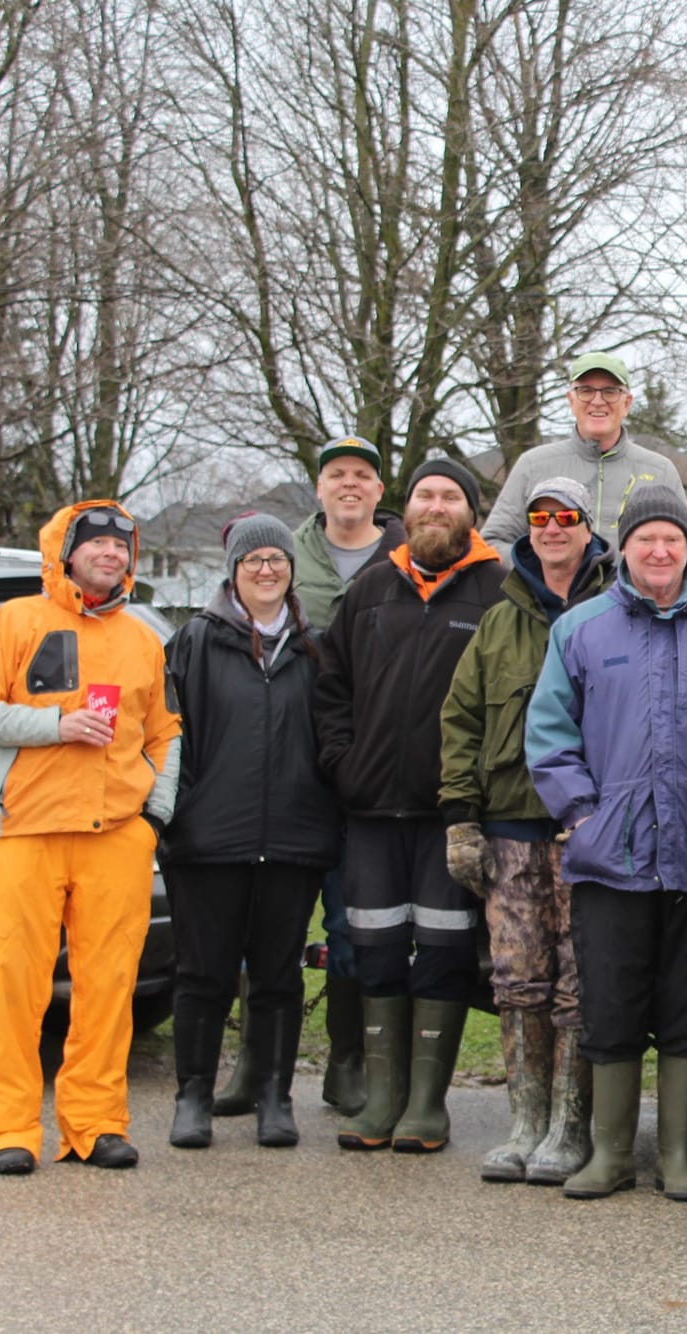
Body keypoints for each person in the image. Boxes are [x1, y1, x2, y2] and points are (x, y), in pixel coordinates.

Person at [526, 485, 687, 1203]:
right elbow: (549, 735)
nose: (660, 551)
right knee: (612, 1005)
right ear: (622, 547)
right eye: (646, 538)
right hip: (609, 858)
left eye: (673, 539)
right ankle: (612, 1154)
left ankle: (679, 1157)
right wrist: (582, 816)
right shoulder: (583, 629)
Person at [0, 500, 181, 1174]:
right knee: (9, 985)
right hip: (25, 831)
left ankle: (96, 1125)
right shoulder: (16, 620)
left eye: (122, 547)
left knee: (109, 987)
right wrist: (58, 724)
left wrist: (151, 822)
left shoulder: (143, 639)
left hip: (116, 837)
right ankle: (4, 1132)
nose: (111, 554)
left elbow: (167, 734)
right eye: (98, 544)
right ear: (66, 550)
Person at [314, 459, 505, 1154]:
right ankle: (382, 1098)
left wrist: (478, 792)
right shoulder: (371, 587)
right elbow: (330, 687)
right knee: (375, 947)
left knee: (446, 951)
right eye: (424, 494)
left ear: (471, 513)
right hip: (369, 812)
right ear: (409, 507)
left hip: (449, 815)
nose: (435, 506)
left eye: (450, 496)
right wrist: (342, 764)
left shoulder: (498, 591)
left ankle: (427, 1104)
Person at [441, 477, 612, 1185]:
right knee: (517, 979)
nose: (551, 527)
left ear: (585, 527)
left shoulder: (613, 608)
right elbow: (460, 721)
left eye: (565, 516)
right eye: (540, 516)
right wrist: (461, 820)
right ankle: (524, 1123)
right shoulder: (499, 619)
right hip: (510, 826)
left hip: (587, 829)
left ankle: (571, 1127)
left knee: (579, 979)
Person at [162, 514, 338, 1150]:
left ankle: (274, 1096)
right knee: (203, 974)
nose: (267, 569)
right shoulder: (195, 642)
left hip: (293, 841)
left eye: (277, 559)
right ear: (234, 571)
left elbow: (333, 736)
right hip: (209, 842)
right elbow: (166, 734)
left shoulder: (314, 648)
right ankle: (193, 1096)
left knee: (277, 976)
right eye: (253, 560)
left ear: (291, 569)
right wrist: (181, 812)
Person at [273, 434, 406, 1121]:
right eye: (336, 475)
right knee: (275, 923)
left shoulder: (409, 558)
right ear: (319, 487)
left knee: (356, 923)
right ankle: (263, 1071)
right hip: (292, 766)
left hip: (369, 769)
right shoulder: (283, 557)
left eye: (362, 474)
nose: (349, 484)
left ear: (380, 490)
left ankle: (349, 1060)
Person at [479, 352, 685, 554]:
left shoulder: (660, 471)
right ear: (571, 400)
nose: (597, 401)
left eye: (610, 391)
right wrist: (538, 574)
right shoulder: (533, 465)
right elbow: (493, 543)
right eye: (585, 390)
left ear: (627, 403)